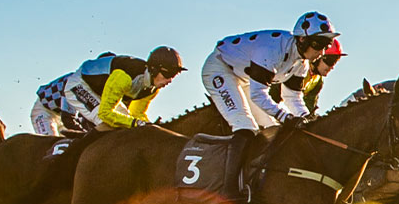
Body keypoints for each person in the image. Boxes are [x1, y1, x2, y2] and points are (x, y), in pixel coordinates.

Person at [201, 11, 338, 133]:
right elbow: (258, 93)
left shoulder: (301, 63)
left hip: (244, 79)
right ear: (302, 39)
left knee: (272, 129)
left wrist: (307, 118)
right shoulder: (272, 50)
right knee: (245, 126)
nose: (322, 52)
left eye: (326, 46)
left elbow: (292, 97)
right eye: (318, 45)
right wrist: (285, 116)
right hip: (220, 68)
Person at [31, 48, 187, 136]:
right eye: (168, 74)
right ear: (153, 69)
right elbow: (73, 119)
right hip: (54, 105)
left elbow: (136, 115)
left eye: (174, 76)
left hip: (92, 95)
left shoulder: (152, 89)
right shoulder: (122, 77)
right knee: (106, 122)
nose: (170, 80)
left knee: (123, 123)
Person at [296, 38, 347, 114]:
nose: (332, 67)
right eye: (330, 61)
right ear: (318, 57)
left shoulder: (318, 81)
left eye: (335, 62)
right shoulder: (298, 68)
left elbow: (310, 105)